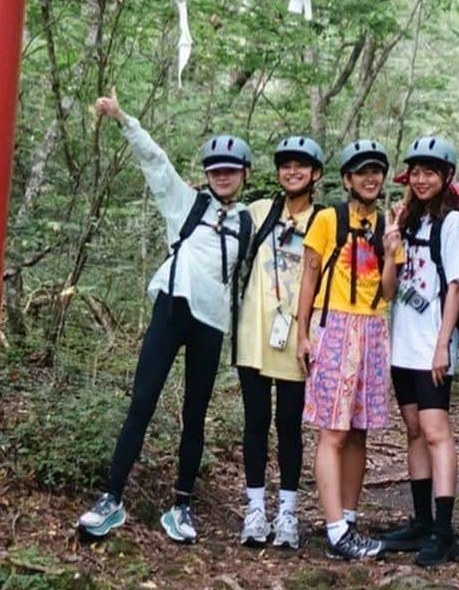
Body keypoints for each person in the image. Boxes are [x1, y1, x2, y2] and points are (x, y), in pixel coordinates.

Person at [77, 91, 253, 544]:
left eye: (231, 170)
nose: (224, 177)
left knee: (195, 414)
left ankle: (182, 506)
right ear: (208, 175)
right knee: (142, 401)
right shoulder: (186, 203)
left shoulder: (250, 222)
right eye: (216, 171)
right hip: (172, 308)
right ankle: (111, 498)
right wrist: (122, 118)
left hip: (211, 323)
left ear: (244, 175)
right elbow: (155, 161)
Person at [295, 138, 400, 561]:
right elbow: (308, 276)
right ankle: (336, 528)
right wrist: (302, 334)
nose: (370, 178)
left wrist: (392, 252)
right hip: (333, 324)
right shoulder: (326, 219)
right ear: (347, 179)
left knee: (359, 430)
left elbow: (390, 290)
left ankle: (350, 520)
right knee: (333, 431)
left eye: (376, 171)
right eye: (362, 172)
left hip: (374, 328)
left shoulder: (387, 226)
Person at [380, 136, 459, 567]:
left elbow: (456, 286)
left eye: (430, 172)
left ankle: (444, 528)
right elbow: (390, 290)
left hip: (433, 344)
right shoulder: (409, 222)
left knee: (436, 432)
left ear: (446, 177)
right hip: (403, 344)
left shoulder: (453, 224)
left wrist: (442, 345)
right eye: (415, 172)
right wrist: (390, 247)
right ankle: (420, 521)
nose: (421, 180)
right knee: (414, 429)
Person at [234, 135, 325, 552]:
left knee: (289, 424)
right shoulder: (260, 212)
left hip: (297, 336)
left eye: (301, 166)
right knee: (256, 421)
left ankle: (287, 511)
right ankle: (255, 507)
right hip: (255, 333)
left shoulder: (324, 220)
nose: (293, 171)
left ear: (316, 174)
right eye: (286, 165)